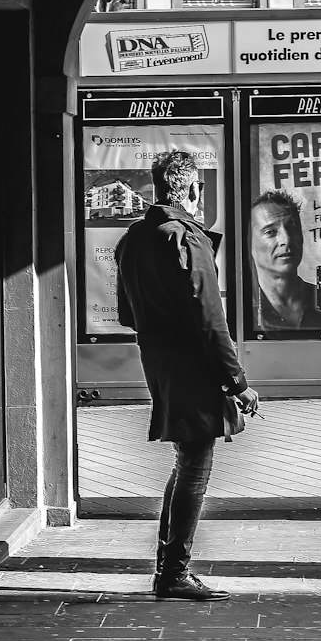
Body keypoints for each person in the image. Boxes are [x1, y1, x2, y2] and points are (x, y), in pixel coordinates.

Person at [115, 149, 259, 601]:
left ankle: (169, 569)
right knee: (195, 463)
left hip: (158, 360)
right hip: (191, 362)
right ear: (192, 189)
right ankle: (174, 572)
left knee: (186, 460)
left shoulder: (134, 238)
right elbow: (210, 318)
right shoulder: (185, 237)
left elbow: (125, 314)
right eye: (200, 188)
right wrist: (238, 382)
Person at [250, 189, 321, 329]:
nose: (286, 239)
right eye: (270, 232)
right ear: (249, 244)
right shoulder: (245, 308)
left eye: (292, 228)